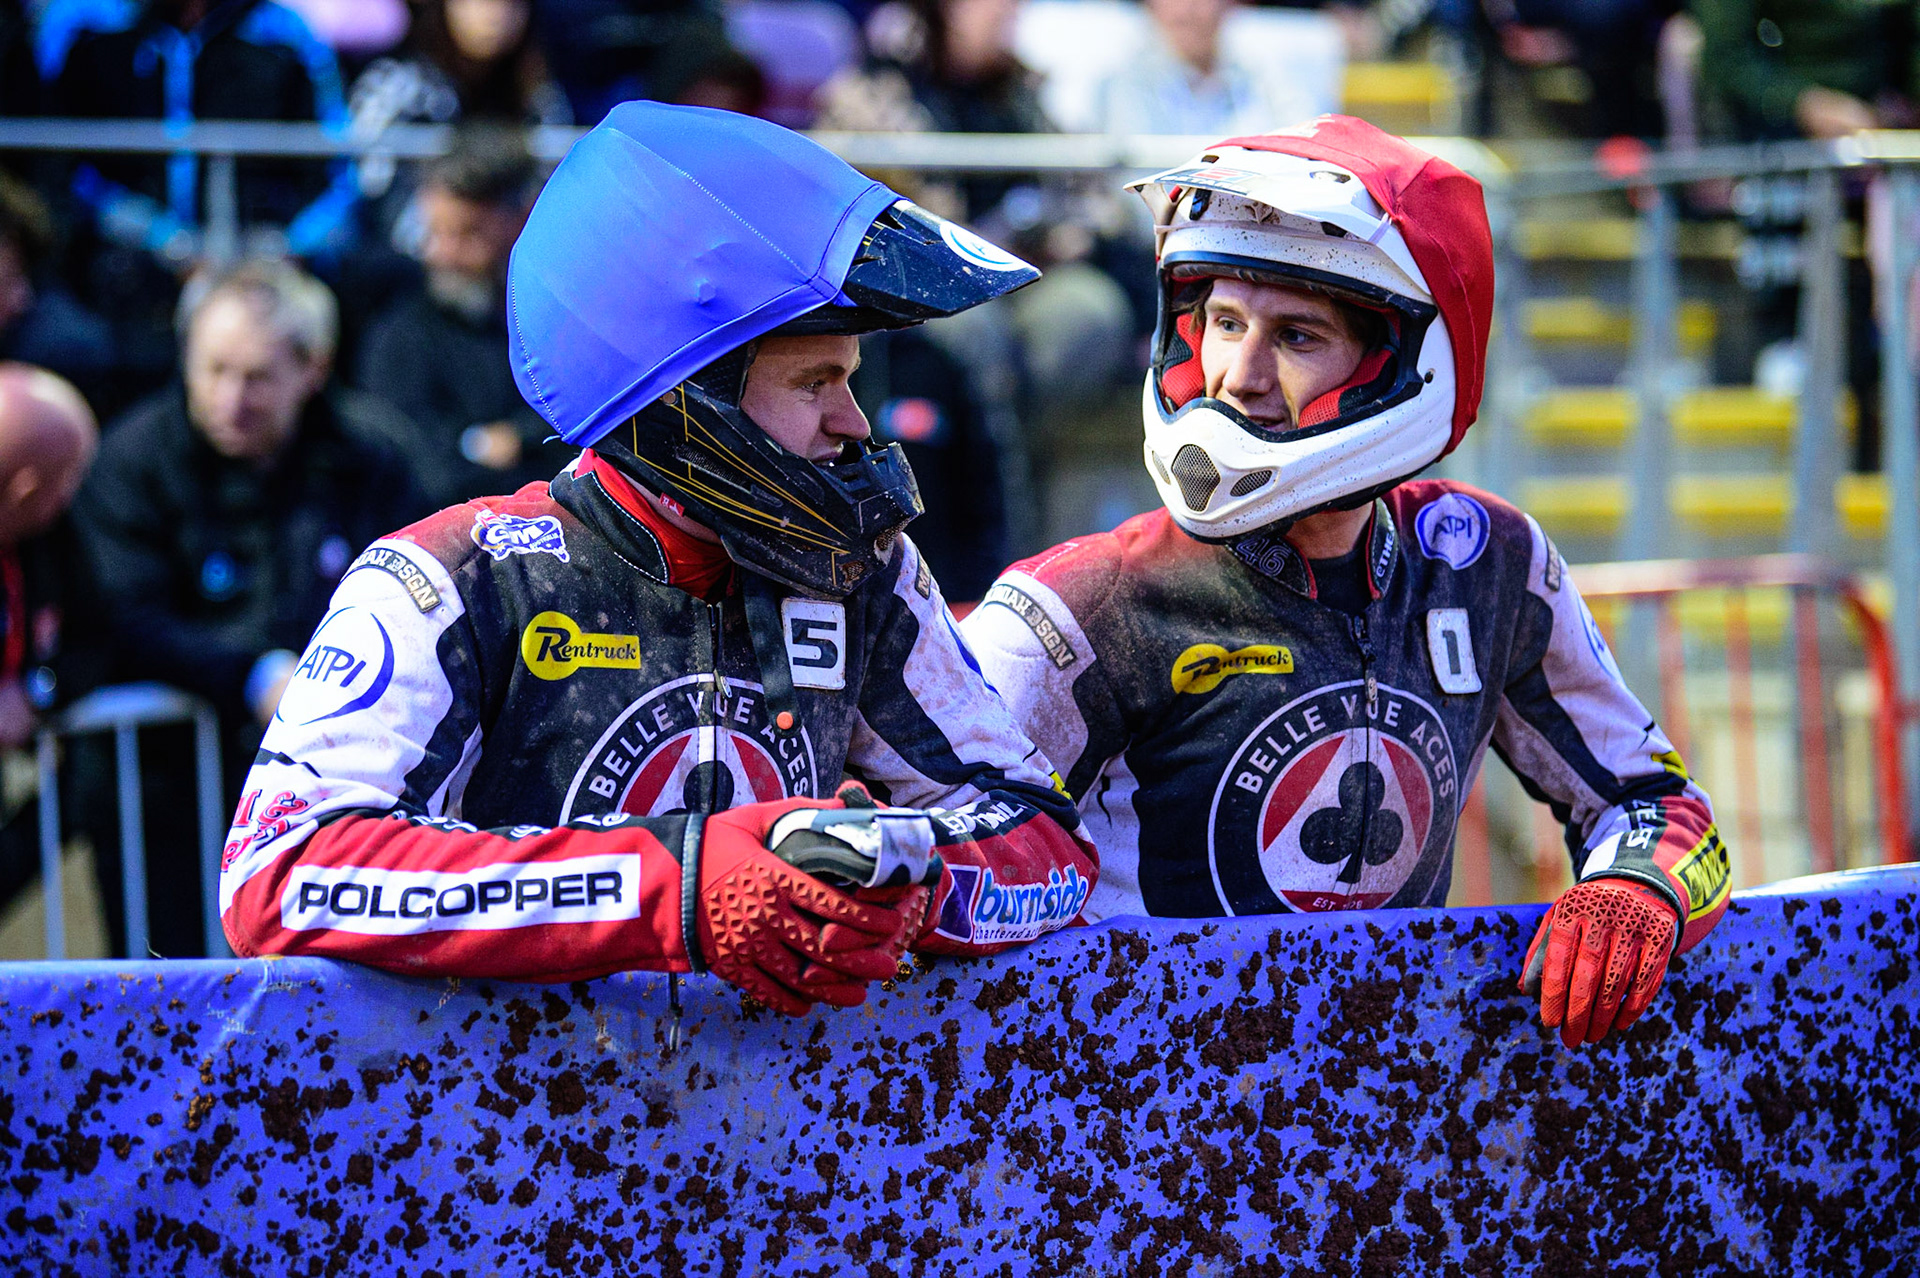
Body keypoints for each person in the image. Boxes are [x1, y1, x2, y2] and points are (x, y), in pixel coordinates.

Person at [219, 104, 1098, 1016]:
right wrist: (671, 889)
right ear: (687, 401)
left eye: (851, 378)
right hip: (505, 1125)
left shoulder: (861, 569)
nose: (856, 423)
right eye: (814, 383)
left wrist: (903, 891)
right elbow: (275, 873)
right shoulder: (457, 575)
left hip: (783, 1139)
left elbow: (1045, 836)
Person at [961, 117, 1732, 1048]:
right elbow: (944, 867)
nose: (1236, 378)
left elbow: (1654, 802)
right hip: (1145, 1129)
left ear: (1398, 366)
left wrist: (1636, 887)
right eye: (1222, 323)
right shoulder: (1077, 609)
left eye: (1296, 334)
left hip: (1387, 1122)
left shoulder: (1486, 563)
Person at [73, 259, 422, 956]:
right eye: (214, 370)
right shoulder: (132, 459)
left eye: (257, 377)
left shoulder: (371, 454)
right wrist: (253, 675)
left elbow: (419, 589)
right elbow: (122, 615)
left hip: (333, 790)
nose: (232, 398)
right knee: (166, 993)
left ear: (311, 369)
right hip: (162, 788)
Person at [356, 132, 572, 506]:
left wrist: (516, 439)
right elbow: (416, 466)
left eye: (466, 234)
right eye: (435, 233)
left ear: (520, 221)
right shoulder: (399, 339)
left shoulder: (562, 326)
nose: (443, 254)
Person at [0, 364, 107, 907]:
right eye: (67, 481)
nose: (72, 500)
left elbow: (102, 638)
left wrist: (35, 693)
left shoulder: (48, 536)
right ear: (26, 488)